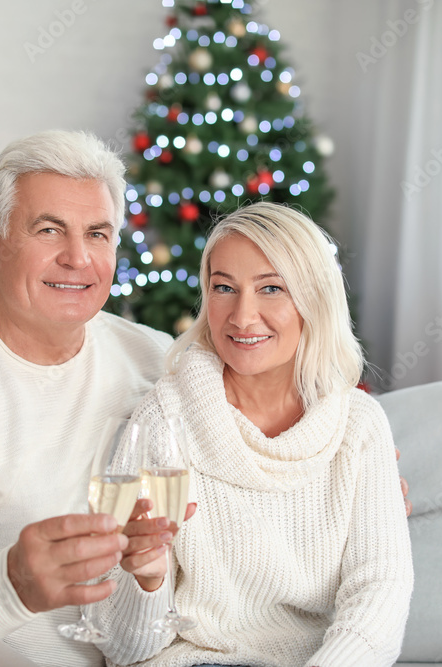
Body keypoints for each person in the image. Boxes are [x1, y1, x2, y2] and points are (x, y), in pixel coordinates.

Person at [0, 131, 410, 667]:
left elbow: (268, 431)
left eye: (97, 234)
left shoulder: (162, 363)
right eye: (49, 229)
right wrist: (9, 583)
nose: (78, 258)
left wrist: (352, 494)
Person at [95, 202, 414, 667]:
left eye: (271, 289)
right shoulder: (165, 418)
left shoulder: (359, 426)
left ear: (314, 300)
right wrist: (148, 579)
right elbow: (123, 649)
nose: (242, 316)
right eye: (224, 287)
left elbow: (379, 589)